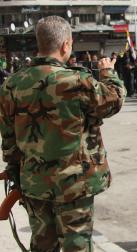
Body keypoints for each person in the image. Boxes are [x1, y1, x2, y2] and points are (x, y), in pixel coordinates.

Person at [0, 16, 126, 251]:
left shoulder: (12, 85)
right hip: (74, 186)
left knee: (42, 246)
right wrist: (108, 72)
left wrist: (16, 173)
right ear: (66, 45)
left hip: (34, 182)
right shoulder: (75, 81)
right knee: (76, 245)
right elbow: (114, 100)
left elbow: (8, 140)